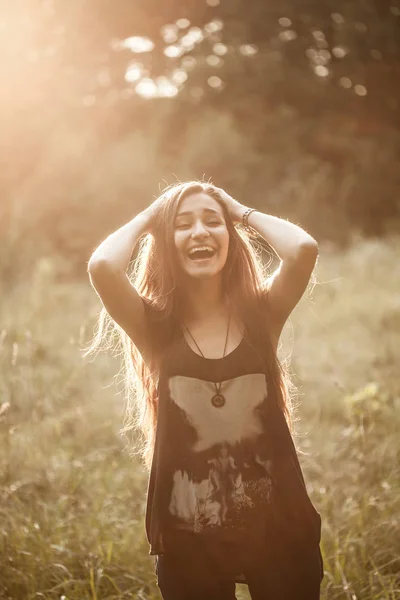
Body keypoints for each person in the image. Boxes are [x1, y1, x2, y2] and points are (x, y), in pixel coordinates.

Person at [86, 180, 324, 599]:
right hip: (187, 531)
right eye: (183, 224)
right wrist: (151, 216)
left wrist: (237, 210)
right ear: (166, 241)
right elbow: (103, 266)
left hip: (279, 525)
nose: (199, 232)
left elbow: (303, 249)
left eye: (211, 222)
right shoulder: (154, 328)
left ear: (230, 238)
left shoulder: (262, 314)